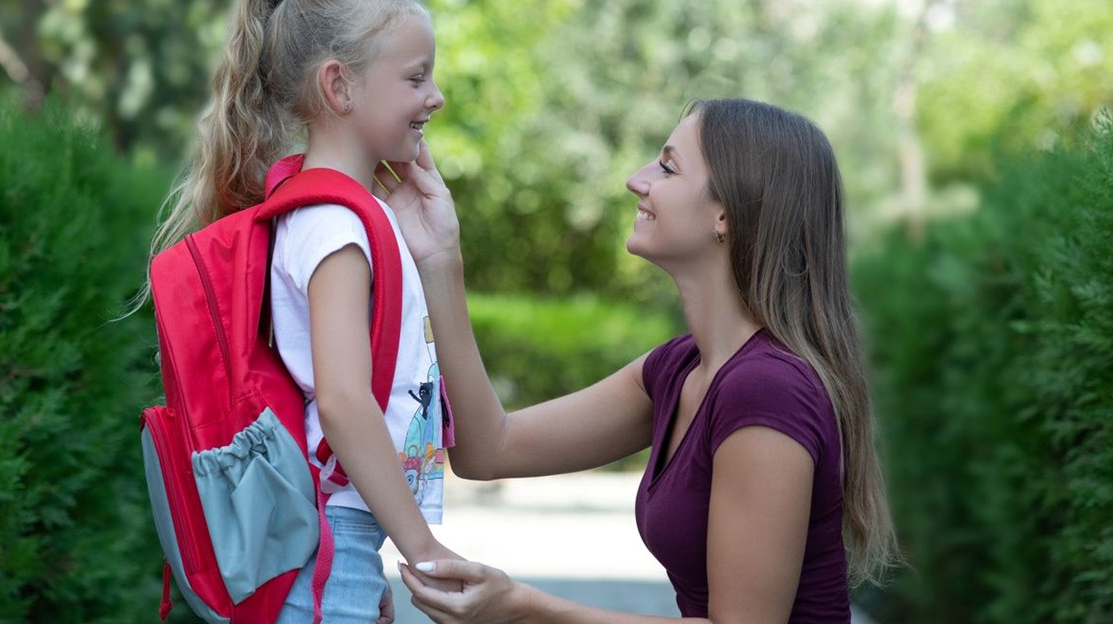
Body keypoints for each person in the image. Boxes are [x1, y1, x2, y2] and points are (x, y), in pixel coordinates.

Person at [377, 98, 901, 623]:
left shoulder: (767, 389)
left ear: (727, 214)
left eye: (668, 167)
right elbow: (487, 449)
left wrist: (523, 608)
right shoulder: (678, 370)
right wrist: (439, 256)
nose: (635, 179)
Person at [146, 0, 462, 624]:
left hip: (337, 546)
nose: (434, 96)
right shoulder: (335, 226)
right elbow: (344, 404)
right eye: (415, 77)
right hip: (328, 546)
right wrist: (422, 549)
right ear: (339, 85)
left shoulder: (325, 211)